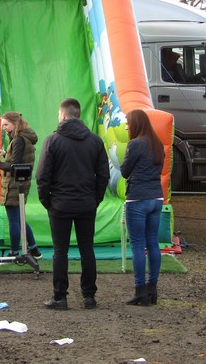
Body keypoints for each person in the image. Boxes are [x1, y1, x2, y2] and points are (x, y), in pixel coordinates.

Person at [36, 98, 110, 311]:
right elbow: (103, 175)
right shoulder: (95, 141)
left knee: (61, 251)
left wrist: (47, 201)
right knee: (87, 249)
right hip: (86, 203)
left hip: (60, 204)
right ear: (78, 114)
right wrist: (95, 198)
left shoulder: (52, 141)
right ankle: (89, 296)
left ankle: (60, 297)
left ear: (62, 115)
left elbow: (42, 176)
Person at [120, 109, 165, 306]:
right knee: (153, 242)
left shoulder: (135, 144)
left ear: (136, 123)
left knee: (138, 245)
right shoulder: (157, 144)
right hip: (156, 197)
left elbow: (124, 171)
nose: (126, 126)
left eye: (128, 122)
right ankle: (152, 289)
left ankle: (140, 291)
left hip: (137, 198)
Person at [0, 112, 42, 258]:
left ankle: (14, 253)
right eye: (2, 125)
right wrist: (5, 154)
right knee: (19, 218)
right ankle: (34, 249)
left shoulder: (18, 140)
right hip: (22, 182)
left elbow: (13, 165)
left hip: (14, 184)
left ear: (15, 124)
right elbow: (18, 159)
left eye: (6, 125)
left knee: (14, 220)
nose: (4, 128)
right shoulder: (24, 137)